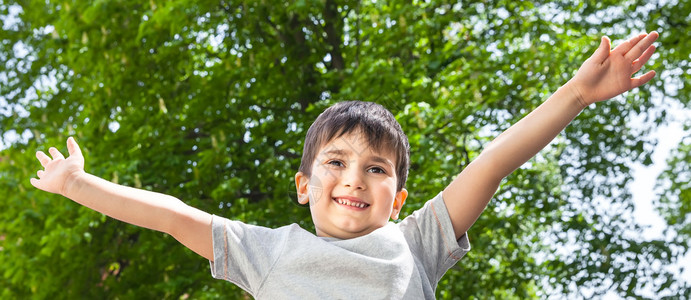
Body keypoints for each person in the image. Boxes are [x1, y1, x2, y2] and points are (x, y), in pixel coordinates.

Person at [30, 31, 659, 298]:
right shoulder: (268, 253)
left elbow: (492, 164)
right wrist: (78, 184)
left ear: (400, 197)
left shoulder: (420, 245)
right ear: (305, 186)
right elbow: (172, 216)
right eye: (336, 162)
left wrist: (576, 94)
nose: (355, 177)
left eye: (377, 169)